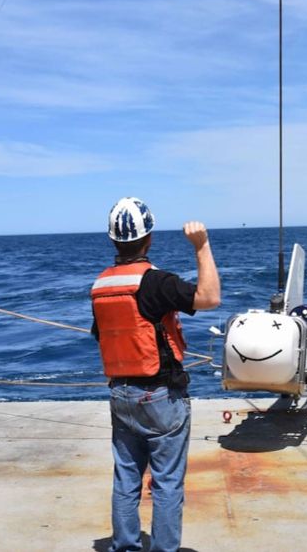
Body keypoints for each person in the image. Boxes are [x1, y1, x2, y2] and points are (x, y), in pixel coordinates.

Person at [91, 197, 220, 552]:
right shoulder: (156, 283)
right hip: (160, 396)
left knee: (126, 478)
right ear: (149, 238)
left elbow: (102, 335)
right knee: (166, 483)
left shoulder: (100, 286)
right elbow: (209, 298)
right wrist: (202, 245)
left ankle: (125, 547)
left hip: (120, 393)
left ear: (113, 240)